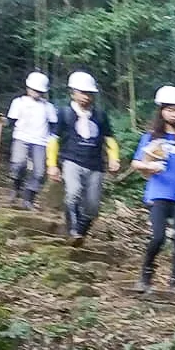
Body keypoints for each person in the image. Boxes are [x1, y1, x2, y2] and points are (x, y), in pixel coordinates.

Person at [131, 85, 175, 293]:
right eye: (170, 110)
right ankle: (145, 275)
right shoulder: (152, 137)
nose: (174, 114)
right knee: (158, 237)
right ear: (161, 110)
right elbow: (136, 163)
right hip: (159, 193)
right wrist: (150, 167)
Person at [48, 70, 120, 245]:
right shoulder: (64, 113)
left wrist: (114, 158)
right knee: (73, 192)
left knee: (93, 206)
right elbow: (54, 139)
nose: (86, 97)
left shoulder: (100, 115)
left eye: (89, 93)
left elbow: (109, 139)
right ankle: (73, 231)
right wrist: (52, 164)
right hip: (71, 160)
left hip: (95, 164)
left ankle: (80, 233)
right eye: (82, 92)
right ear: (73, 92)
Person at [4, 71, 58, 209]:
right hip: (21, 137)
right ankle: (15, 188)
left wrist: (53, 140)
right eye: (34, 89)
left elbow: (54, 125)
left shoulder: (48, 107)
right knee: (18, 164)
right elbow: (11, 120)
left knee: (39, 172)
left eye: (39, 91)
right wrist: (2, 122)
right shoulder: (18, 102)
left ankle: (28, 199)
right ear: (28, 88)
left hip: (40, 141)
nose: (36, 92)